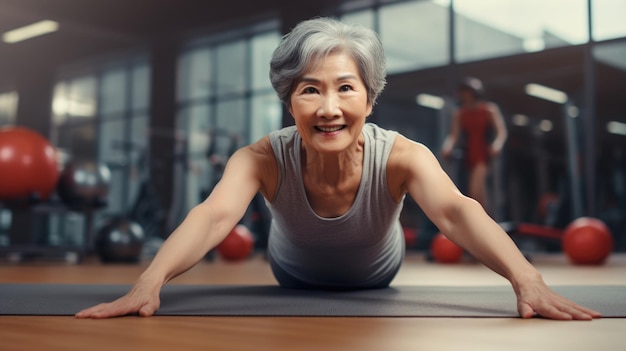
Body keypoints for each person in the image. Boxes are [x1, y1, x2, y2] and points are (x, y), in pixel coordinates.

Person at [76, 17, 599, 320]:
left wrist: (527, 281)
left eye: (345, 87)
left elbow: (458, 214)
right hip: (292, 274)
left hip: (378, 275)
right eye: (310, 89)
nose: (329, 108)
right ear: (290, 103)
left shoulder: (402, 155)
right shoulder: (260, 158)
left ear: (370, 101)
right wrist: (149, 281)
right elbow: (213, 217)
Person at [441, 77, 508, 212]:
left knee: (475, 189)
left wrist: (497, 144)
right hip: (469, 154)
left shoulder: (489, 110)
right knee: (479, 191)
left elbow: (501, 131)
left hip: (484, 153)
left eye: (466, 91)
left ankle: (481, 218)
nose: (463, 95)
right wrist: (447, 146)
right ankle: (486, 219)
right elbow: (454, 135)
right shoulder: (460, 114)